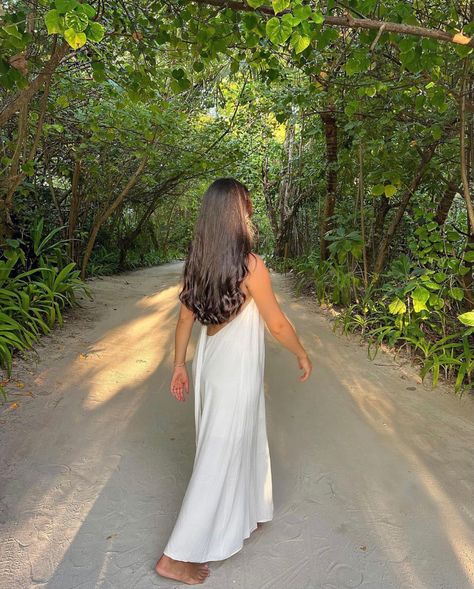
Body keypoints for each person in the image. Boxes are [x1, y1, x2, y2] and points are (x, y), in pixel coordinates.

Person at [155, 178, 312, 585]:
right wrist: (300, 351)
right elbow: (277, 323)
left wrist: (178, 365)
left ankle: (248, 512)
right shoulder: (251, 266)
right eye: (248, 206)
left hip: (212, 364)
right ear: (236, 215)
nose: (252, 213)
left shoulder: (198, 262)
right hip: (233, 369)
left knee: (242, 436)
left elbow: (185, 320)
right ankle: (175, 556)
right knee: (219, 453)